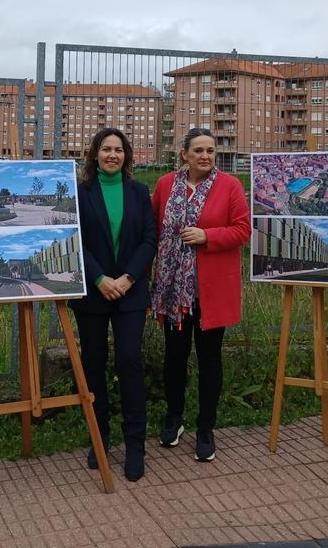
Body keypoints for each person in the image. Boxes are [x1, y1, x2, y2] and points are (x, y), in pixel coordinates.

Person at [151, 127, 250, 462]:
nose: (206, 156)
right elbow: (153, 227)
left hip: (210, 290)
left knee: (209, 359)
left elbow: (243, 229)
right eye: (199, 151)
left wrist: (207, 235)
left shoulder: (230, 185)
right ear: (185, 154)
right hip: (171, 289)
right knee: (174, 357)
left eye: (210, 150)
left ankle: (206, 427)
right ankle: (174, 417)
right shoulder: (166, 184)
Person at [70, 128, 157, 481]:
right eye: (105, 149)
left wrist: (129, 278)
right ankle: (100, 437)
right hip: (93, 292)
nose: (112, 155)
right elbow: (73, 235)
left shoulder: (138, 192)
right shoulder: (80, 193)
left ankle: (135, 444)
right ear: (94, 154)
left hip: (130, 291)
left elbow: (150, 238)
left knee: (130, 361)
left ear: (127, 156)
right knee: (93, 365)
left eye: (118, 150)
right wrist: (98, 278)